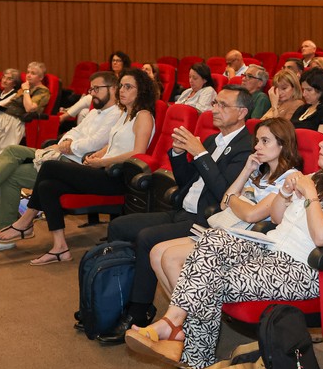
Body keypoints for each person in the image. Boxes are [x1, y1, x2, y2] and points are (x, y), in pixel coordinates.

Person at [124, 123, 323, 369]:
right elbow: (277, 218)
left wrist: (310, 197)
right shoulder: (314, 179)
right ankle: (175, 323)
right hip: (271, 248)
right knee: (211, 241)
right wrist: (285, 195)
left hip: (302, 269)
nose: (321, 143)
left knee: (209, 278)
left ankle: (197, 368)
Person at [99, 118, 301, 353]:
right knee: (156, 253)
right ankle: (185, 323)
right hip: (228, 231)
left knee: (171, 258)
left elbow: (250, 214)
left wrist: (236, 200)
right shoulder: (260, 173)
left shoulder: (290, 178)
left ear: (283, 145)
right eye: (257, 141)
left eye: (265, 141)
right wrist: (246, 171)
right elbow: (226, 203)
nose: (257, 146)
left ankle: (187, 330)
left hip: (251, 243)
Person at [0, 71, 126, 253]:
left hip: (75, 166)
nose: (92, 94)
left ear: (113, 89)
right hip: (60, 157)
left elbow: (95, 143)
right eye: (91, 89)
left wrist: (67, 146)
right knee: (12, 176)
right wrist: (63, 143)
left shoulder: (116, 113)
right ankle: (3, 235)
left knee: (12, 150)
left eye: (97, 89)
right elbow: (72, 133)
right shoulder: (94, 112)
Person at [104, 84, 254, 317]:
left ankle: (139, 310)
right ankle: (115, 296)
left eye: (223, 105)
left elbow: (224, 193)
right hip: (181, 209)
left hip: (205, 219)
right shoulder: (214, 140)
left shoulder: (246, 148)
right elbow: (188, 182)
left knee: (146, 238)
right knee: (118, 225)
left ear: (242, 112)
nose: (214, 109)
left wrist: (201, 154)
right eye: (215, 103)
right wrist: (178, 153)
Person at [0, 69, 157, 265]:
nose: (122, 90)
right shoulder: (126, 114)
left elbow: (137, 152)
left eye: (128, 87)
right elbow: (114, 143)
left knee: (50, 166)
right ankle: (60, 248)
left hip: (118, 177)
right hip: (103, 169)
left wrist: (103, 162)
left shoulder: (144, 116)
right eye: (121, 86)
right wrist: (98, 154)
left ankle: (26, 220)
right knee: (48, 186)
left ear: (141, 91)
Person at [291, 68, 323, 133]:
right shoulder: (302, 108)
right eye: (303, 89)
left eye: (309, 90)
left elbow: (320, 140)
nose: (304, 94)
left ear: (321, 90)